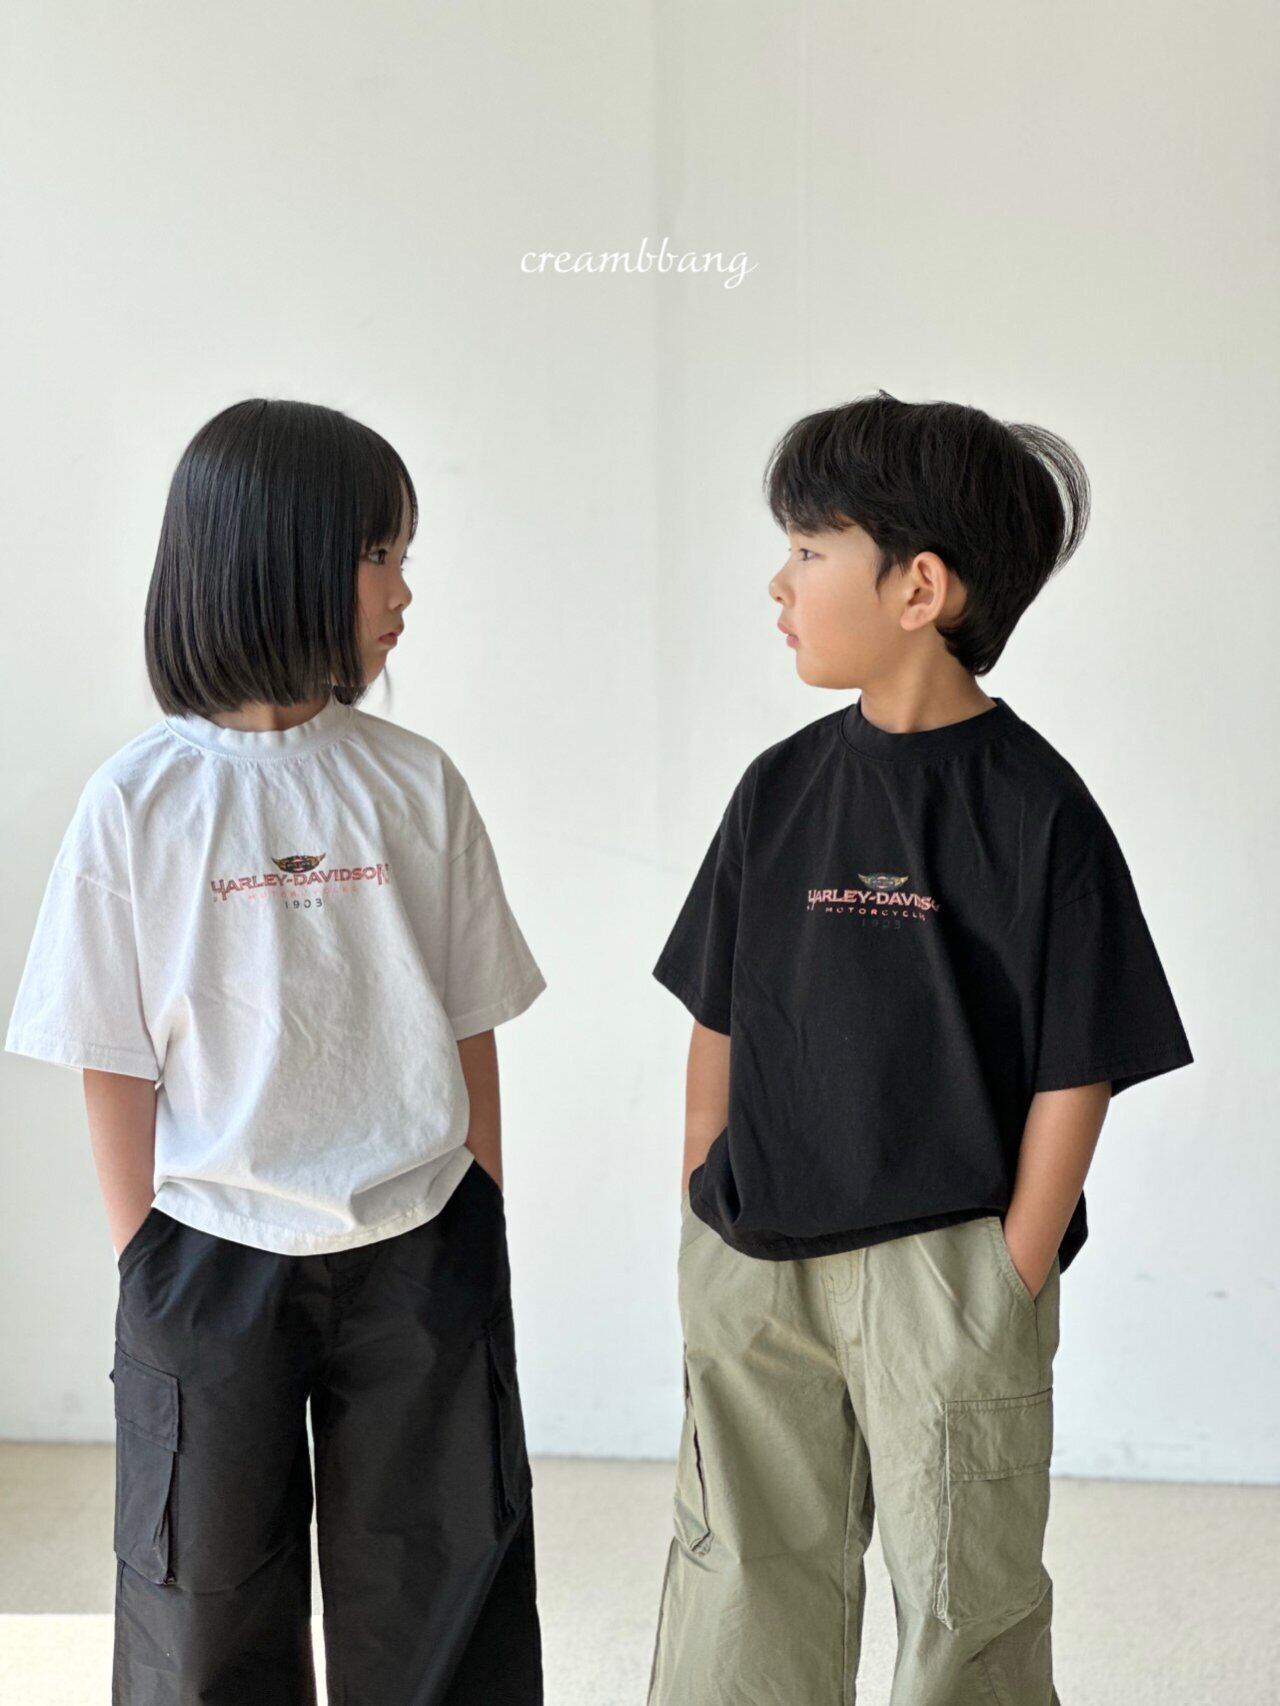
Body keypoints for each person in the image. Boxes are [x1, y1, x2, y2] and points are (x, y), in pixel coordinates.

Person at [645, 390, 1194, 1705]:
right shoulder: (778, 789)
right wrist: (704, 1188)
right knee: (740, 1578)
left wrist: (1010, 1269)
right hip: (760, 1253)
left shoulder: (1039, 809)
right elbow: (718, 1009)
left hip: (946, 1272)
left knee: (965, 1600)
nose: (779, 582)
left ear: (920, 588)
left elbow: (1078, 1063)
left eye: (809, 548)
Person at [4, 398, 547, 1705]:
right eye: (378, 553)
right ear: (278, 556)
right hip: (207, 1253)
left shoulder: (414, 782)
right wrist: (146, 1254)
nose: (403, 589)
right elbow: (110, 1054)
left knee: (441, 1599)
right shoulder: (138, 801)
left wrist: (479, 1200)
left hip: (420, 1239)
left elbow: (467, 1016)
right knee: (203, 1617)